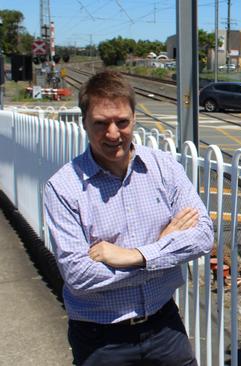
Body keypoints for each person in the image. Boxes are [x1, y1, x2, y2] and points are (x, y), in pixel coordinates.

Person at [43, 70, 214, 365]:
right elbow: (79, 276)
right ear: (84, 122)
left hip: (164, 325)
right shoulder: (63, 187)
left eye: (121, 121)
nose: (112, 134)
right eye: (100, 123)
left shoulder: (164, 167)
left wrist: (133, 256)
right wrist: (162, 253)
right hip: (101, 338)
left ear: (134, 118)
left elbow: (203, 236)